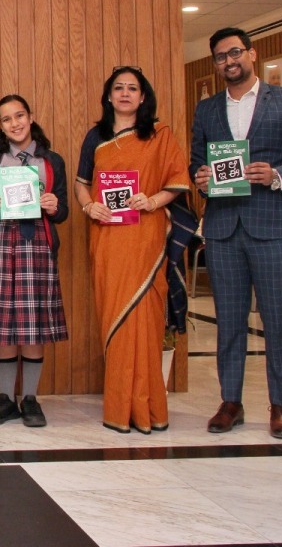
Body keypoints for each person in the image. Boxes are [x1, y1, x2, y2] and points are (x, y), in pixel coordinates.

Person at [191, 28, 282, 439]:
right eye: (221, 57)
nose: (229, 61)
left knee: (276, 319)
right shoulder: (207, 109)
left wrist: (279, 174)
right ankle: (230, 402)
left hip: (273, 224)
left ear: (251, 54)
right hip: (223, 227)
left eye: (235, 52)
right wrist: (200, 177)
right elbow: (197, 161)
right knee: (229, 320)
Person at [75, 68, 189, 433]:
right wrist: (89, 206)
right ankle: (120, 408)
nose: (125, 93)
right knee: (115, 319)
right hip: (108, 238)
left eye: (132, 88)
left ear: (143, 97)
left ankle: (149, 409)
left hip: (146, 238)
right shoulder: (96, 136)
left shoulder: (159, 135)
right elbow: (81, 183)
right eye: (118, 88)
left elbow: (177, 181)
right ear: (109, 96)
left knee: (146, 321)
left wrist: (152, 201)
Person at [0, 97, 68, 428]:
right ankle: (6, 399)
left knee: (32, 326)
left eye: (19, 115)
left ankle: (30, 399)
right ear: (1, 125)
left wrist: (54, 206)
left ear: (31, 117)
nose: (15, 123)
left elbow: (63, 210)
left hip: (35, 244)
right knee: (3, 327)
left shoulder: (51, 160)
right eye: (7, 119)